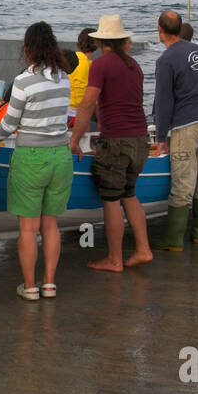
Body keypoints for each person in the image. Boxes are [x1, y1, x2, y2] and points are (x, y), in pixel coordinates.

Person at [0, 22, 72, 300]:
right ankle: (50, 283)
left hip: (31, 159)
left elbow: (9, 125)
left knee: (28, 228)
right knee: (51, 226)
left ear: (28, 47)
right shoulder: (64, 78)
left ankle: (30, 286)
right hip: (61, 156)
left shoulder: (24, 81)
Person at [69, 14, 152, 272]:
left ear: (102, 41)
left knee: (111, 199)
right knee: (129, 194)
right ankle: (143, 249)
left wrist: (74, 140)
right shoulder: (133, 65)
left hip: (116, 141)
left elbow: (87, 104)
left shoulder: (102, 65)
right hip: (140, 139)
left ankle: (115, 259)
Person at [150, 10, 198, 251]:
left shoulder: (166, 59)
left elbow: (164, 100)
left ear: (160, 29)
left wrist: (161, 138)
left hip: (186, 123)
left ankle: (174, 239)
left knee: (182, 179)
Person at [67, 27, 98, 126]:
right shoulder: (84, 64)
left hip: (67, 109)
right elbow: (80, 95)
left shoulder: (75, 58)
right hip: (74, 114)